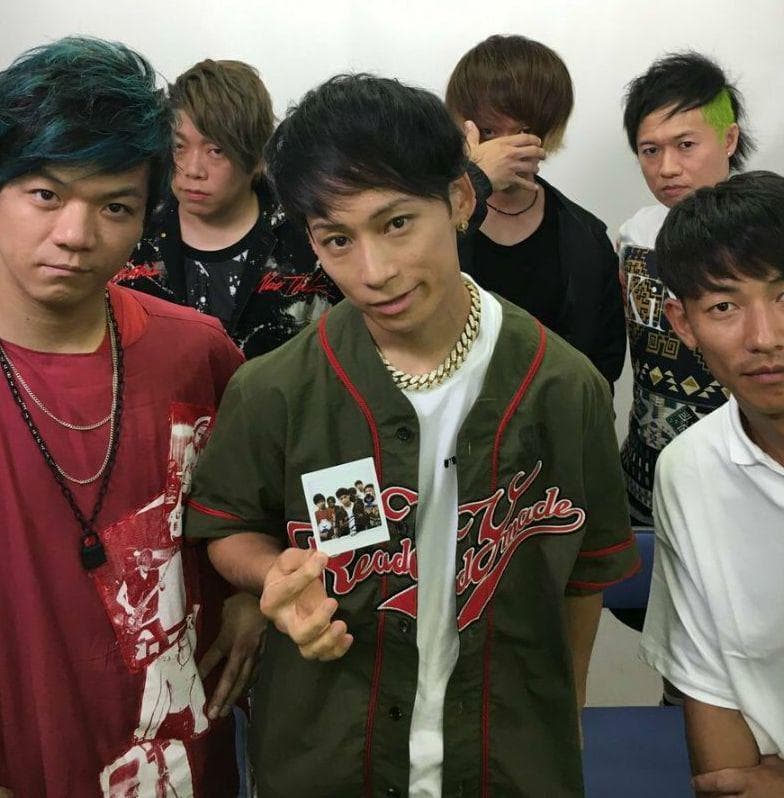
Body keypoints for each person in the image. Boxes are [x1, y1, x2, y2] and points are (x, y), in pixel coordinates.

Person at [184, 73, 639, 797]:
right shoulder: (275, 390)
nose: (375, 272)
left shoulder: (563, 387)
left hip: (506, 760)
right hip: (328, 755)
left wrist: (566, 717)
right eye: (338, 239)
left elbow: (583, 575)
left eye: (397, 223)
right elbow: (230, 525)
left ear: (458, 199)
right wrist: (273, 575)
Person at [0, 37, 265, 797]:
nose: (76, 235)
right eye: (45, 194)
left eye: (114, 206)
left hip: (185, 766)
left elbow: (268, 503)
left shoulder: (197, 353)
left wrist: (251, 597)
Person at [640, 171, 784, 795]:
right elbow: (708, 686)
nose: (764, 338)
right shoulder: (690, 470)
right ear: (683, 323)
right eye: (724, 307)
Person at [116, 59, 340, 358]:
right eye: (179, 146)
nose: (192, 170)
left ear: (257, 156)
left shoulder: (307, 239)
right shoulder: (133, 231)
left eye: (216, 151)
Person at [618, 52, 754, 525]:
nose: (668, 168)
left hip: (743, 483)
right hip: (644, 478)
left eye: (686, 145)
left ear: (729, 139)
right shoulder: (633, 236)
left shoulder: (770, 238)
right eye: (650, 150)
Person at [446, 34, 626, 388]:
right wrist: (476, 179)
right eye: (488, 131)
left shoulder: (585, 237)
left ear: (549, 130)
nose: (505, 148)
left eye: (524, 131)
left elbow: (602, 364)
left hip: (556, 414)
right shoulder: (437, 220)